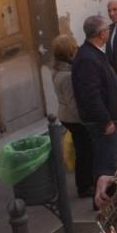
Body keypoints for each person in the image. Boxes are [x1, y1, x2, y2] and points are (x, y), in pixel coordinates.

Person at [72, 15, 117, 207]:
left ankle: (104, 200)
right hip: (103, 120)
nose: (109, 31)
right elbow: (91, 95)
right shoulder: (88, 58)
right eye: (107, 29)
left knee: (106, 160)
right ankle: (104, 202)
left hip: (108, 117)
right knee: (106, 163)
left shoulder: (93, 53)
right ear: (100, 33)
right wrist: (106, 120)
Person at [50, 35, 95, 201]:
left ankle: (85, 183)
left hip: (65, 116)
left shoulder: (57, 69)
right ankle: (85, 185)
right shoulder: (67, 76)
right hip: (74, 118)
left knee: (82, 150)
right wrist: (86, 121)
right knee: (84, 151)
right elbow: (73, 103)